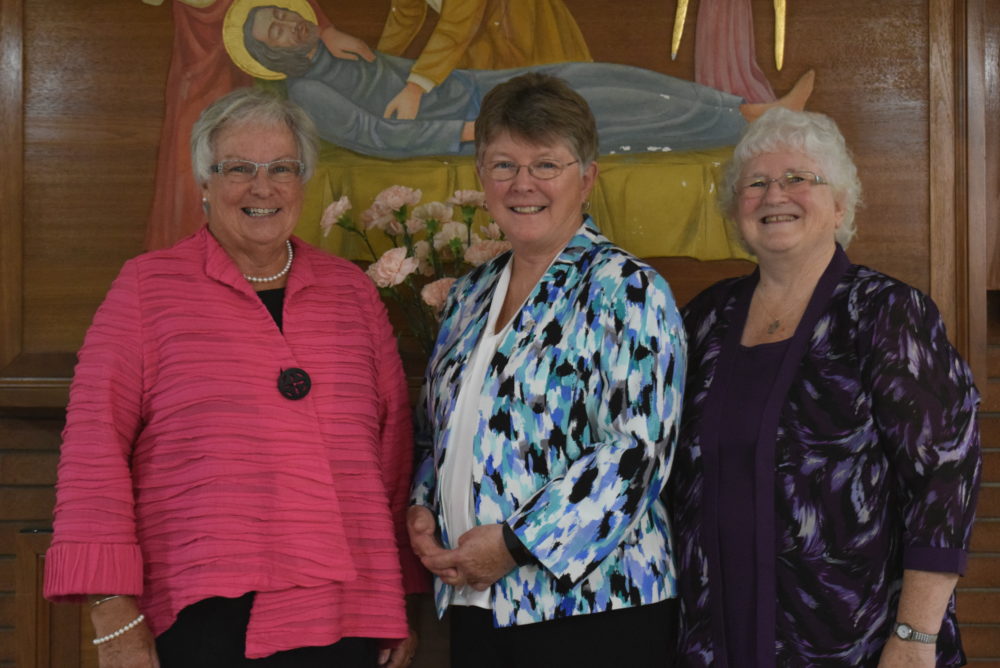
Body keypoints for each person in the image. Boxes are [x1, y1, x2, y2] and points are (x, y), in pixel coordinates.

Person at [44, 88, 423, 667]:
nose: (261, 187)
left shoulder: (352, 292)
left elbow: (392, 452)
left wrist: (396, 598)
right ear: (203, 183)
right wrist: (110, 613)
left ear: (304, 181)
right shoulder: (148, 289)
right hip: (204, 612)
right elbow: (94, 450)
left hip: (344, 610)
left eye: (281, 169)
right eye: (238, 168)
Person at [669, 107, 981, 667]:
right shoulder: (704, 321)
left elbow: (945, 479)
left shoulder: (887, 313)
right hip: (715, 636)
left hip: (854, 641)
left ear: (840, 205)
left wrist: (914, 639)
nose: (774, 195)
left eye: (798, 179)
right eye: (756, 183)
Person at [407, 72, 687, 667]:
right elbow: (442, 432)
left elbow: (637, 453)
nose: (522, 184)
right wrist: (423, 508)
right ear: (481, 176)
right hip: (478, 598)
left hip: (594, 610)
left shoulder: (627, 289)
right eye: (503, 164)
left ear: (587, 178)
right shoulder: (470, 295)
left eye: (546, 165)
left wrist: (513, 544)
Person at [230, 3, 813, 160]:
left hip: (476, 83)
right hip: (474, 117)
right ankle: (733, 124)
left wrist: (344, 42)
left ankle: (741, 106)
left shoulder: (334, 46)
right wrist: (467, 128)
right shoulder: (306, 94)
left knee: (598, 73)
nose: (289, 22)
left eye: (285, 14)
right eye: (275, 30)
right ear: (268, 57)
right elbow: (377, 136)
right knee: (599, 110)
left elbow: (395, 59)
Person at [377, 0, 592, 120]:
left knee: (553, 106)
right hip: (480, 41)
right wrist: (377, 62)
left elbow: (455, 27)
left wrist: (415, 88)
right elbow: (404, 17)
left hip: (527, 32)